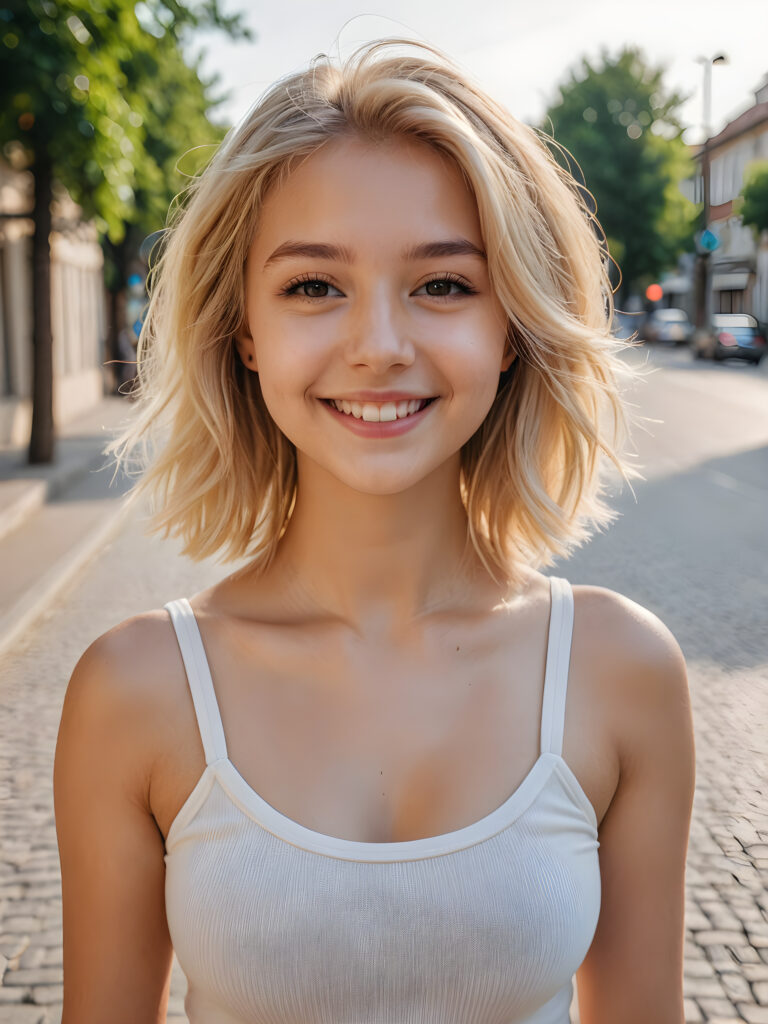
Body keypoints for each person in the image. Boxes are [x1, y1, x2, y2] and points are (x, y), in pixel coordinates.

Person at [53, 39, 695, 1024]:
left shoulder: (621, 672)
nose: (380, 347)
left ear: (513, 326)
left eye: (443, 284)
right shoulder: (135, 692)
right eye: (315, 286)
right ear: (245, 333)